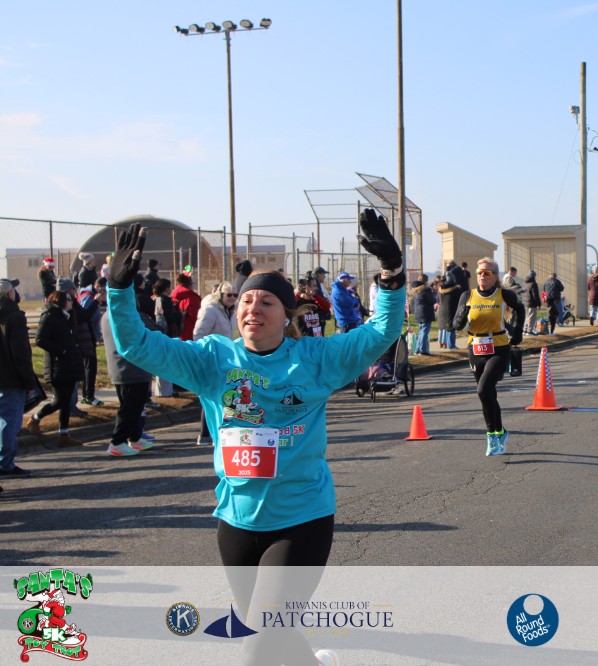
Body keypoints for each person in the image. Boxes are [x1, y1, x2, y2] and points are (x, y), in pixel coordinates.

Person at [105, 211, 404, 664]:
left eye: (267, 302)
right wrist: (118, 289)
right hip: (237, 523)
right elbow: (136, 345)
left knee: (258, 648)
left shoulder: (315, 359)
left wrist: (392, 273)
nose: (253, 309)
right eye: (246, 300)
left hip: (301, 521)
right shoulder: (212, 360)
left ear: (287, 315)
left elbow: (381, 331)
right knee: (277, 640)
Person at [452, 258, 524, 455]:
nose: (482, 276)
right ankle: (499, 432)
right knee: (487, 395)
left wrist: (518, 331)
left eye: (487, 273)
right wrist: (462, 314)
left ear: (495, 277)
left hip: (498, 348)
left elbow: (520, 308)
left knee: (483, 389)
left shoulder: (504, 295)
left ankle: (491, 436)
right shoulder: (468, 295)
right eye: (479, 272)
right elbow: (456, 325)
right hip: (475, 349)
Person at [25, 290, 84, 446]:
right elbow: (40, 339)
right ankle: (35, 419)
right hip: (57, 365)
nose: (72, 302)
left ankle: (64, 435)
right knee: (59, 400)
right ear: (60, 301)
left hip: (70, 364)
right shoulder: (50, 316)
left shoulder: (67, 317)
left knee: (66, 402)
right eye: (69, 300)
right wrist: (61, 351)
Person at [101, 292, 156, 457]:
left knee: (134, 406)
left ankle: (134, 437)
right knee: (131, 408)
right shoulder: (126, 316)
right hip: (132, 367)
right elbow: (153, 331)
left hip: (121, 367)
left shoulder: (107, 315)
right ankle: (118, 441)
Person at [192, 282, 239, 446]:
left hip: (227, 359)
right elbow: (198, 334)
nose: (232, 298)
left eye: (235, 295)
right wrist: (206, 354)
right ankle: (205, 434)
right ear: (220, 295)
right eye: (229, 295)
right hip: (212, 359)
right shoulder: (211, 310)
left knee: (226, 397)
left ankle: (220, 432)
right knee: (211, 396)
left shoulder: (232, 311)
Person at [0, 278, 35, 477]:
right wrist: (29, 381)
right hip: (11, 378)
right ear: (9, 294)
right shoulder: (14, 316)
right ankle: (5, 463)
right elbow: (20, 353)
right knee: (9, 421)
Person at [171, 273, 201, 341]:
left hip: (179, 329)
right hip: (191, 330)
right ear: (190, 284)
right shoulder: (192, 297)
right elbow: (196, 315)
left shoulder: (175, 295)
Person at [410, 274, 435, 355]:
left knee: (421, 331)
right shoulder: (426, 290)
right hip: (425, 312)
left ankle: (418, 349)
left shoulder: (415, 290)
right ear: (426, 281)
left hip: (418, 312)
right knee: (424, 331)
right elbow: (432, 300)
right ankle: (423, 350)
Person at [312, 266, 332, 336]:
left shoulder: (319, 284)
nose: (325, 276)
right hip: (318, 314)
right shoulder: (316, 283)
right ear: (318, 275)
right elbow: (318, 298)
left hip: (319, 314)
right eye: (323, 274)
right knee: (319, 335)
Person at [521, 270, 541, 335]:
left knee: (527, 317)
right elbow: (535, 295)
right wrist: (539, 304)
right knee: (531, 317)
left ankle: (525, 330)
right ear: (534, 276)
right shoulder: (533, 284)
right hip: (532, 303)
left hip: (525, 303)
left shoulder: (524, 283)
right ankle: (530, 331)